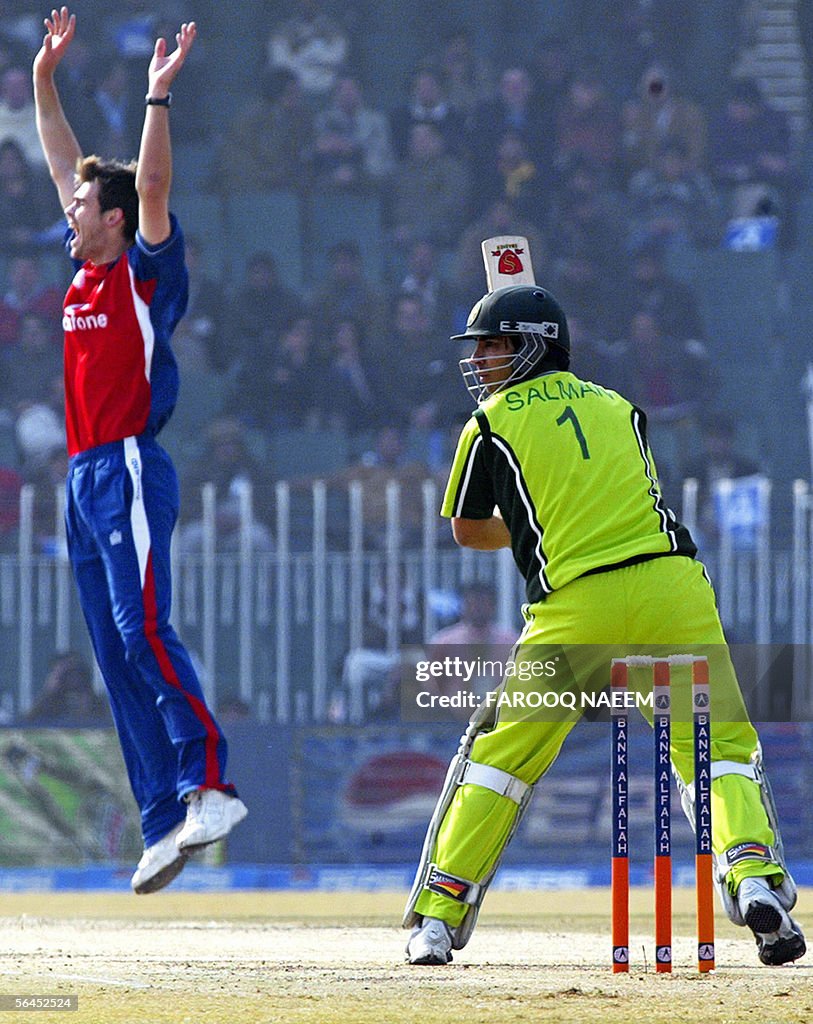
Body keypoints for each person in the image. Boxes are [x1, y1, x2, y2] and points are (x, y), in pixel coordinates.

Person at [403, 283, 805, 967]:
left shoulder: (489, 424)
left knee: (500, 759)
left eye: (495, 346)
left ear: (532, 344)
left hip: (576, 610)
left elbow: (468, 532)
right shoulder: (620, 407)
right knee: (716, 748)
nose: (483, 361)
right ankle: (753, 877)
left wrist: (530, 533)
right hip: (672, 589)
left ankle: (438, 918)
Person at [32, 7, 247, 897]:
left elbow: (149, 186)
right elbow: (63, 161)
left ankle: (212, 784)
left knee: (140, 627)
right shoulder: (85, 266)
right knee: (113, 653)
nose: (70, 207)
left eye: (85, 203)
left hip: (125, 464)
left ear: (115, 220)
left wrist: (156, 96)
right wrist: (44, 80)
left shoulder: (139, 269)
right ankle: (162, 819)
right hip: (82, 479)